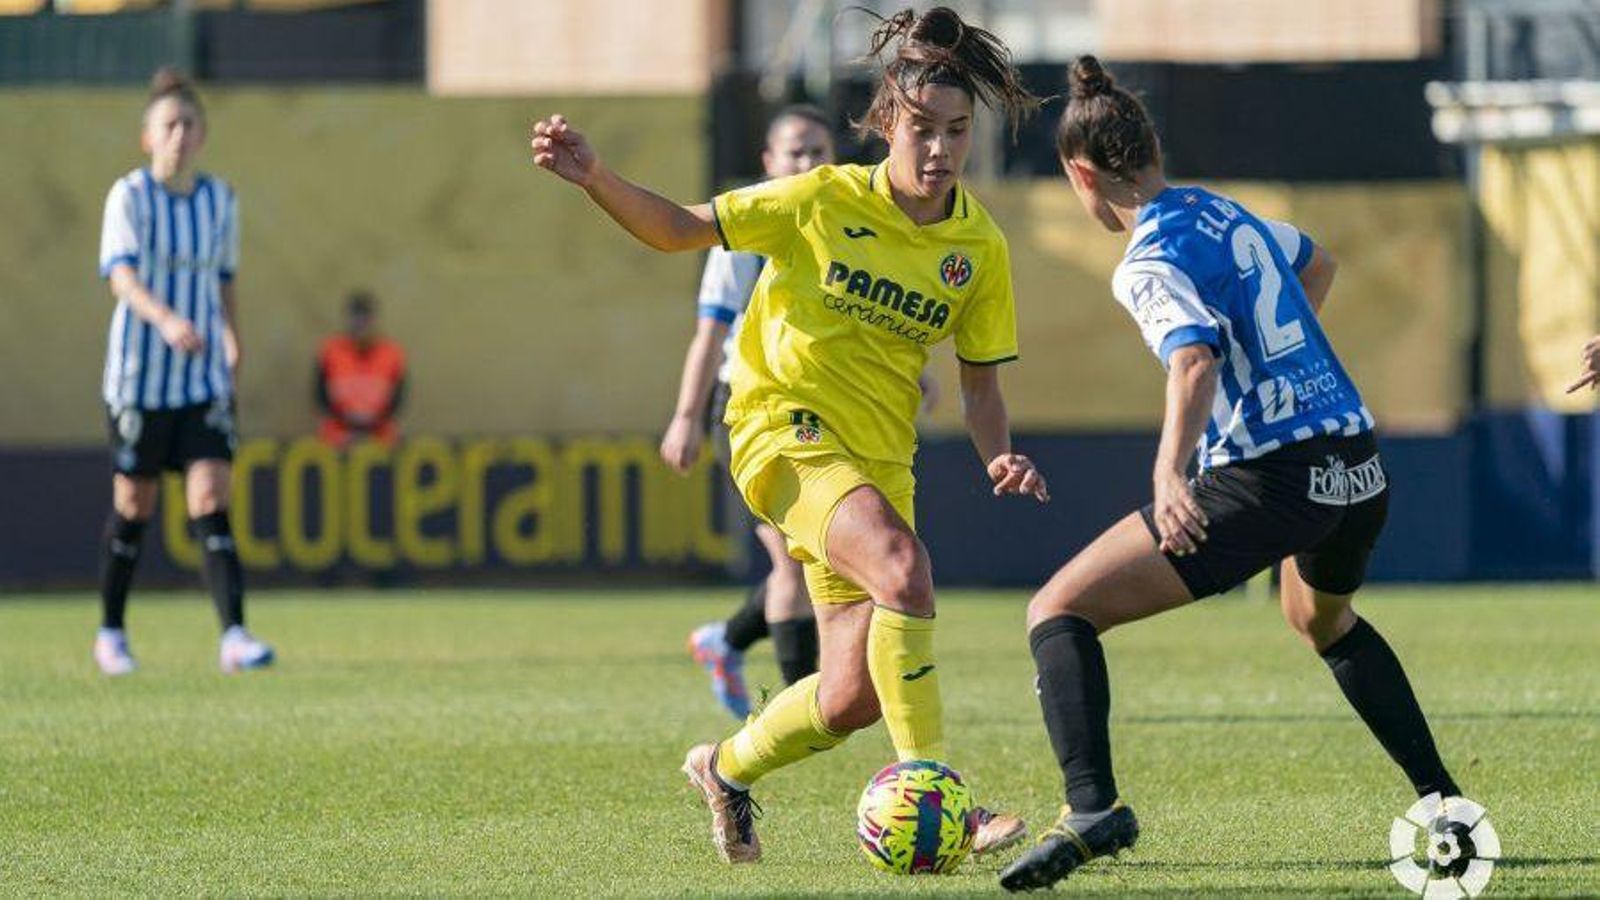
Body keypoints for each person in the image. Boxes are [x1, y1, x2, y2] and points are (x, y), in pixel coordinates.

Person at [533, 5, 1044, 866]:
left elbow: (980, 384)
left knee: (850, 697)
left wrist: (998, 450)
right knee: (905, 569)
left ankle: (725, 769)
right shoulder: (821, 199)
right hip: (780, 430)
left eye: (957, 131)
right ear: (887, 124)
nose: (939, 150)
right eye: (922, 128)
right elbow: (681, 229)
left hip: (879, 462)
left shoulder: (978, 247)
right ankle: (938, 791)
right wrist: (597, 178)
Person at [998, 57, 1463, 891]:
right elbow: (1316, 265)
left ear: (1081, 175)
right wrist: (1275, 371)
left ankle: (1094, 809)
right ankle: (1443, 805)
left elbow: (1192, 362)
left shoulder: (1144, 260)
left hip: (1272, 480)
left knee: (1056, 609)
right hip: (1356, 466)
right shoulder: (1219, 210)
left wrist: (1170, 474)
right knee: (1323, 622)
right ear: (1153, 149)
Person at [94, 67, 275, 676]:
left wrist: (231, 336)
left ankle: (235, 636)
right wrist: (167, 320)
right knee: (136, 505)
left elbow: (224, 278)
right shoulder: (129, 197)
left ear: (202, 136)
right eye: (169, 125)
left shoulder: (220, 201)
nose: (180, 135)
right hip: (140, 379)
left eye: (189, 125)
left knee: (210, 496)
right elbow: (121, 276)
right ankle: (112, 633)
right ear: (148, 137)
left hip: (201, 381)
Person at [666, 106, 834, 719]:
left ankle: (728, 640)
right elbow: (710, 332)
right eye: (794, 151)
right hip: (744, 407)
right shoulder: (743, 226)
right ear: (768, 162)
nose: (807, 162)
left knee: (821, 552)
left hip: (817, 405)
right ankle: (804, 710)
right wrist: (686, 416)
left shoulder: (845, 220)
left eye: (818, 150)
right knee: (793, 557)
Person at [316, 291, 407, 449]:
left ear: (373, 319)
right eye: (356, 316)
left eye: (365, 317)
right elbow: (320, 396)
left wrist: (371, 425)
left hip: (381, 436)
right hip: (338, 436)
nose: (360, 323)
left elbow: (398, 399)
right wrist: (349, 424)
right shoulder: (330, 351)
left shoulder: (392, 353)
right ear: (348, 318)